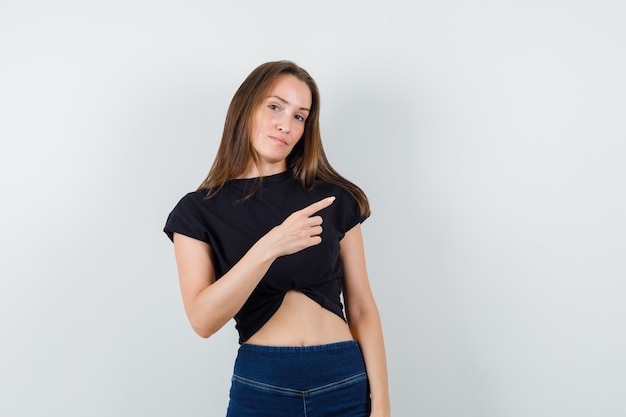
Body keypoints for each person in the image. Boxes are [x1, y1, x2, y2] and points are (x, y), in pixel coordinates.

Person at [164, 60, 390, 417]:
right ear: (245, 108)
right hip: (262, 382)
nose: (286, 124)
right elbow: (202, 320)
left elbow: (362, 307)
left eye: (300, 116)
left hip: (342, 376)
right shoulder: (197, 211)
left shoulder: (333, 197)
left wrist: (382, 407)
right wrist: (271, 246)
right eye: (275, 107)